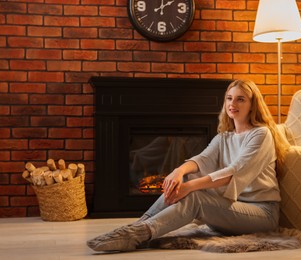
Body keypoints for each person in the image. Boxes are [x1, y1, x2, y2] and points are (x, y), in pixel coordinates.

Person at [87, 79, 290, 252]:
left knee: (195, 195)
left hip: (262, 213)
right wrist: (178, 172)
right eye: (229, 98)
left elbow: (233, 173)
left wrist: (189, 187)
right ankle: (136, 226)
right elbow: (202, 159)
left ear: (253, 105)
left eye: (240, 99)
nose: (232, 103)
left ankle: (140, 234)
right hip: (233, 208)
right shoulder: (224, 137)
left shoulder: (261, 134)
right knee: (184, 180)